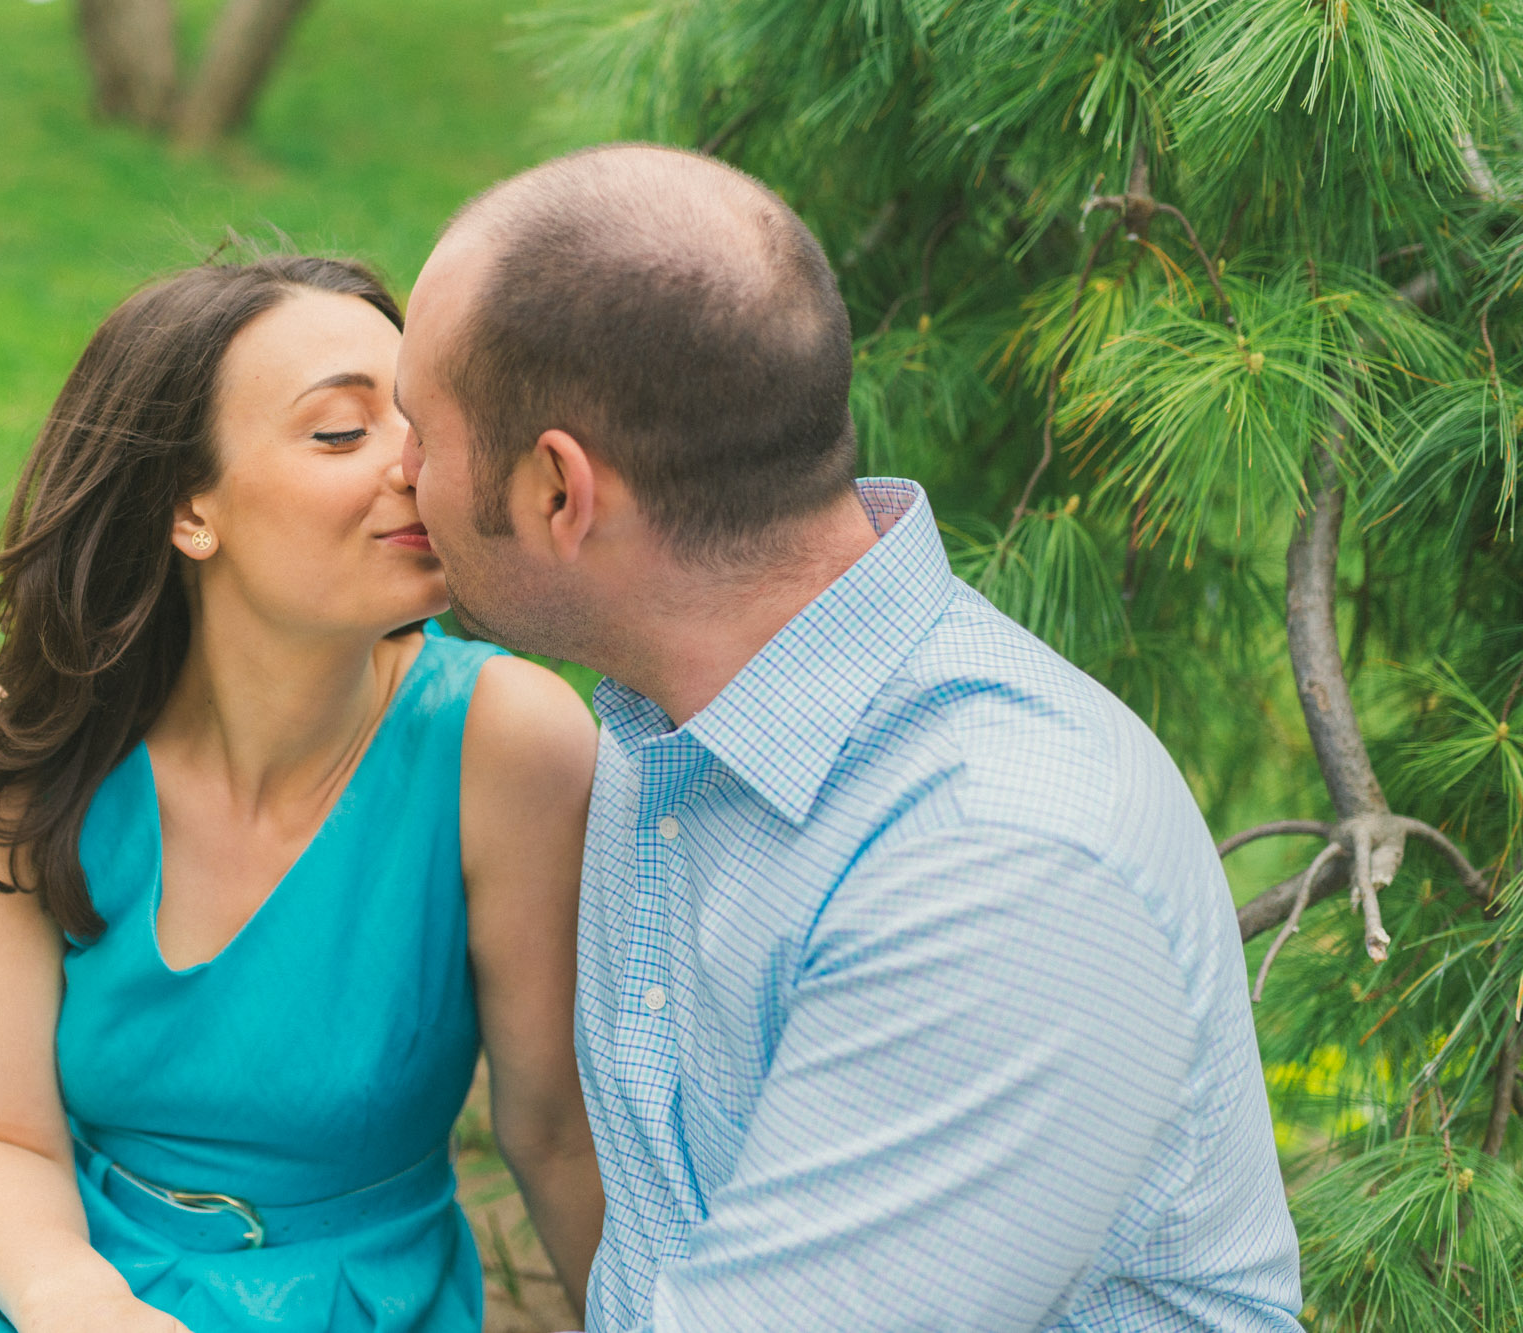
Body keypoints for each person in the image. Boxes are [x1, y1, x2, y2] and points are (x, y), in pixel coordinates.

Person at [394, 143, 1305, 1332]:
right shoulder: (670, 717)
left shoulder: (994, 864)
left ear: (559, 493)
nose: (394, 475)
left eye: (418, 428)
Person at [0, 255, 604, 1333]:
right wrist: (69, 1298)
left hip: (353, 1300)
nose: (419, 470)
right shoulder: (13, 772)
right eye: (343, 433)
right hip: (46, 1273)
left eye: (420, 424)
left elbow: (557, 1133)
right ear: (186, 509)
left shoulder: (507, 745)